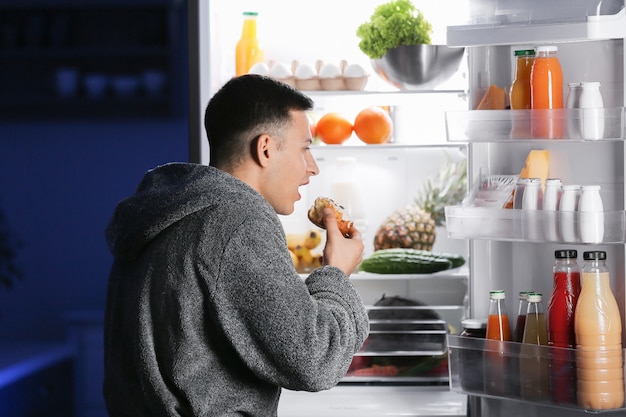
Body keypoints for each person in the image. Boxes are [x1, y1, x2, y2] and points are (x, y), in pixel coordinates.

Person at [103, 74, 369, 417]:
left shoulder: (163, 212)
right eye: (305, 148)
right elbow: (313, 358)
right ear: (266, 149)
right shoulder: (239, 223)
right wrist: (336, 274)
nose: (312, 168)